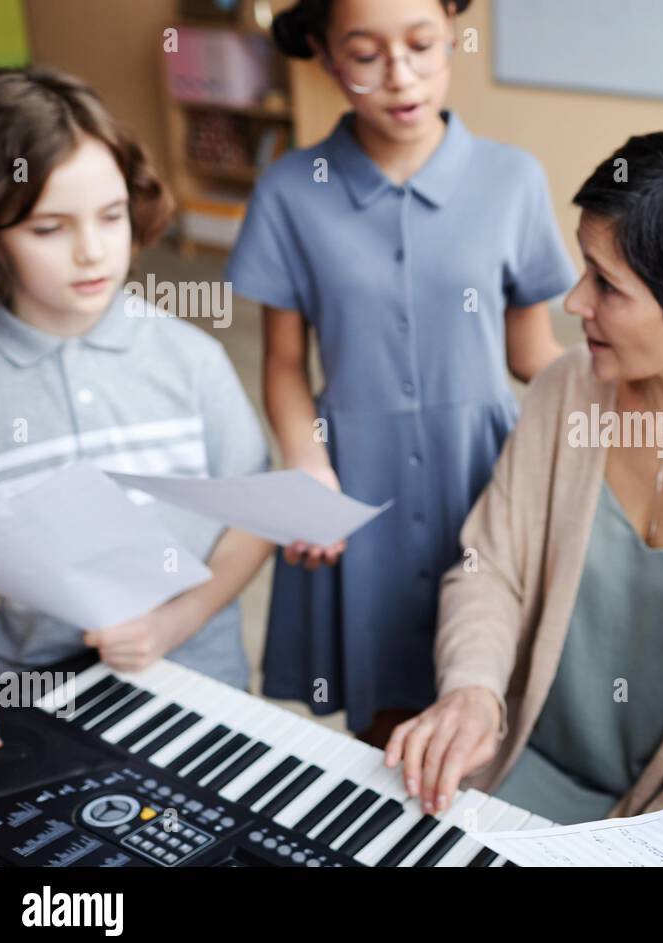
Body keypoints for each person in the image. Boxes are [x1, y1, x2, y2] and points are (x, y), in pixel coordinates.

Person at [382, 132, 663, 823]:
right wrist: (473, 690)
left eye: (607, 285)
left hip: (661, 821)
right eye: (585, 269)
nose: (575, 302)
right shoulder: (567, 389)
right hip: (510, 767)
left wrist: (639, 840)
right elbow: (489, 563)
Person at [226, 0, 578, 744]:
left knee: (485, 690)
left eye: (423, 46)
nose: (401, 76)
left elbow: (531, 355)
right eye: (365, 54)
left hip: (482, 475)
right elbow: (284, 363)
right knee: (382, 712)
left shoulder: (512, 179)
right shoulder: (290, 190)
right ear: (324, 56)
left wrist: (615, 414)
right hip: (355, 483)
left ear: (452, 35)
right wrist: (307, 464)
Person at [0, 67, 270, 748]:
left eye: (111, 217)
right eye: (49, 228)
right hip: (39, 705)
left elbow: (252, 521)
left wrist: (174, 622)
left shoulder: (190, 360)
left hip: (202, 688)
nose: (92, 251)